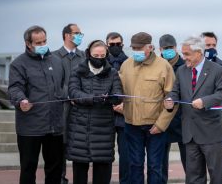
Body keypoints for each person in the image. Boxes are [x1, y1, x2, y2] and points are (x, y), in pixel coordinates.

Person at [164, 36, 222, 184]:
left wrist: (204, 101)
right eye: (183, 53)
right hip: (189, 133)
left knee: (216, 176)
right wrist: (170, 101)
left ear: (199, 53)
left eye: (187, 54)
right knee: (193, 177)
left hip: (211, 132)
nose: (183, 57)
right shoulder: (181, 71)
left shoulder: (217, 70)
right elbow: (175, 92)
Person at [8, 25, 65, 184]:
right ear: (28, 43)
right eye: (38, 43)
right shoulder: (18, 64)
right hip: (30, 127)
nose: (42, 45)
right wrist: (21, 100)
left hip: (55, 126)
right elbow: (14, 88)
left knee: (55, 168)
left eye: (44, 41)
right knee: (28, 167)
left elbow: (61, 85)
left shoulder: (56, 61)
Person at [119, 32, 176, 184]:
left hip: (155, 127)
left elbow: (172, 99)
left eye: (139, 48)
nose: (136, 51)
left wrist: (161, 125)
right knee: (135, 165)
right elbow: (119, 92)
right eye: (134, 48)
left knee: (155, 166)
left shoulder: (164, 66)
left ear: (150, 47)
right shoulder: (126, 65)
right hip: (131, 125)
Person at [66, 40, 123, 184]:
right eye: (95, 55)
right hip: (80, 127)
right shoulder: (77, 71)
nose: (99, 58)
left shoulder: (112, 73)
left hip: (103, 127)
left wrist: (113, 98)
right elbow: (73, 92)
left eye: (102, 55)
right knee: (79, 172)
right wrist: (93, 98)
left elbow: (118, 93)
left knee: (103, 171)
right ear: (88, 54)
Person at [53, 23, 86, 184]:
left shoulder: (84, 57)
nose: (80, 35)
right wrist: (70, 94)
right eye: (77, 33)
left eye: (81, 33)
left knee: (80, 149)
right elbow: (53, 83)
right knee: (59, 149)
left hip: (81, 110)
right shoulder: (54, 57)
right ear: (67, 35)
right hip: (60, 110)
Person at [158, 34, 186, 182]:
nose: (168, 50)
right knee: (160, 162)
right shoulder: (156, 65)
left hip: (183, 118)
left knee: (190, 162)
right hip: (163, 118)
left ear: (176, 48)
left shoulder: (185, 65)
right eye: (165, 48)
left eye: (171, 48)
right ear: (160, 49)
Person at [201, 32, 222, 146]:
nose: (211, 48)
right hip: (198, 120)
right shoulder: (191, 67)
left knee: (216, 161)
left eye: (214, 45)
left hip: (218, 120)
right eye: (208, 45)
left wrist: (220, 110)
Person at [105, 32, 130, 184]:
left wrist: (124, 105)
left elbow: (135, 88)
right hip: (105, 115)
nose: (115, 47)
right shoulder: (100, 63)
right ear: (106, 44)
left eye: (118, 44)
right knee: (105, 155)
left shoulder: (129, 62)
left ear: (122, 44)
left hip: (124, 115)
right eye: (112, 44)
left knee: (126, 155)